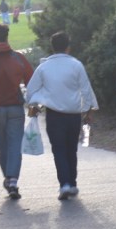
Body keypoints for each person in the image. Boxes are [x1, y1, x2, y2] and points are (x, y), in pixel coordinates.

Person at [25, 31, 98, 200]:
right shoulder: (76, 65)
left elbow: (30, 91)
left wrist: (38, 101)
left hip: (54, 115)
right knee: (71, 149)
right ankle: (72, 183)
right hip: (73, 114)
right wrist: (89, 111)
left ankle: (64, 184)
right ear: (68, 47)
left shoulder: (44, 67)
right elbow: (86, 89)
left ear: (52, 47)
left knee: (59, 150)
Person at [0, 23, 34, 199]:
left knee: (3, 147)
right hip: (15, 107)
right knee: (15, 146)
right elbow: (31, 81)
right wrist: (32, 102)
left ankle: (8, 178)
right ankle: (13, 180)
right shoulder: (18, 58)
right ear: (7, 37)